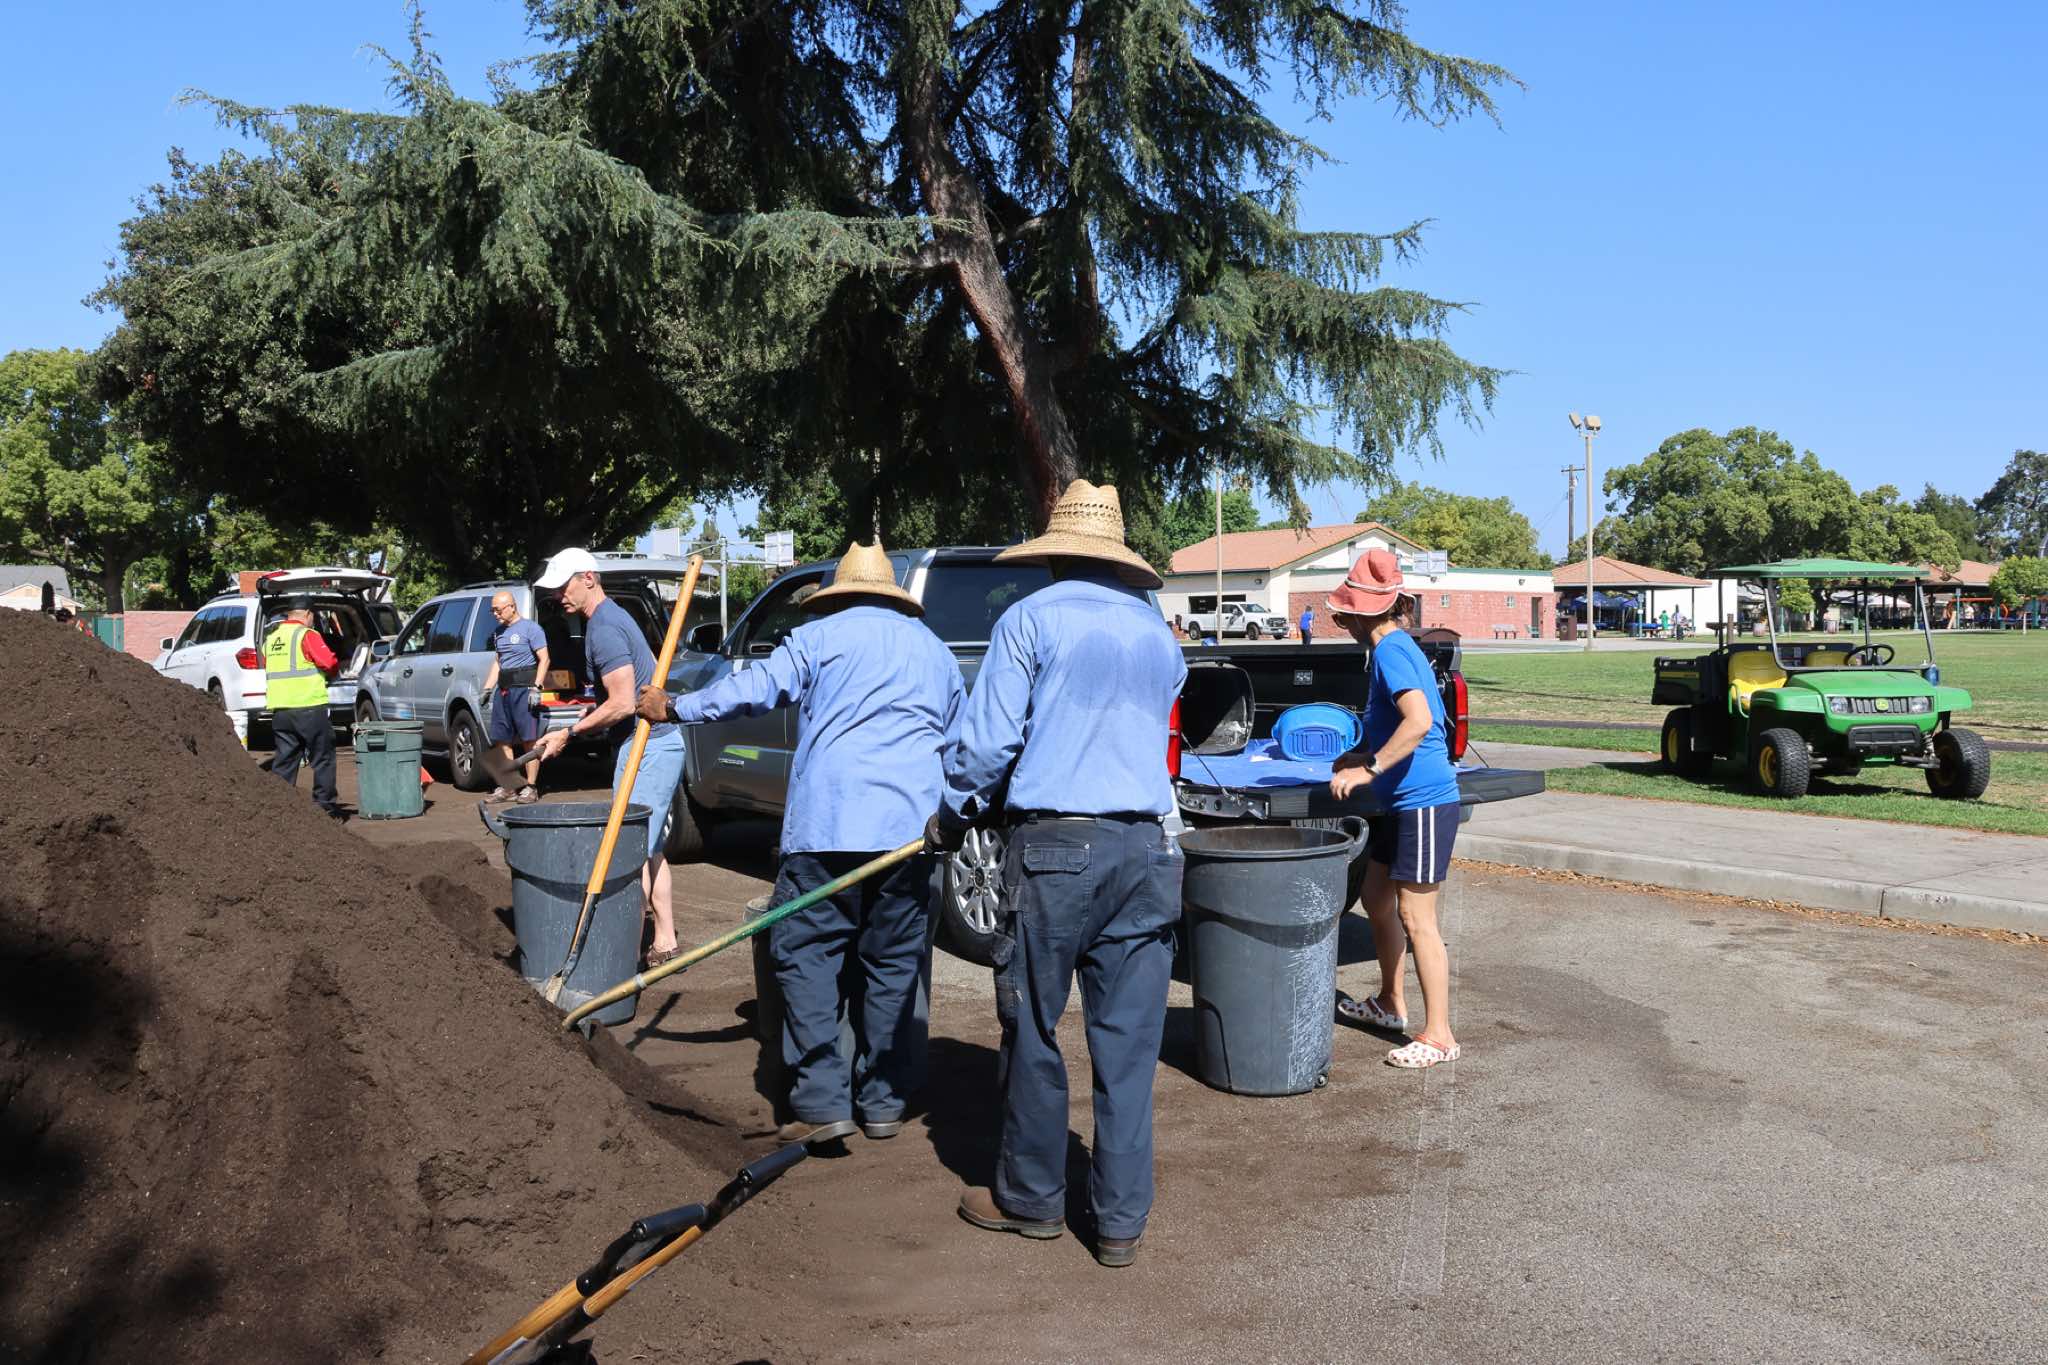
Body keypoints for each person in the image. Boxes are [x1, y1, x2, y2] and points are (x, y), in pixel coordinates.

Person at [930, 479, 1186, 1270]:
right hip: (1148, 849)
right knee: (1129, 1045)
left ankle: (1032, 1198)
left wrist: (950, 814)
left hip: (1055, 849)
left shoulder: (1030, 619)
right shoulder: (1157, 632)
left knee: (1034, 1026)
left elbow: (986, 745)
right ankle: (1120, 1222)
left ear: (1053, 555)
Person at [637, 541, 963, 1144]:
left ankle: (820, 1102)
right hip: (907, 837)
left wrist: (675, 706)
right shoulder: (935, 652)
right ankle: (883, 1101)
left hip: (827, 831)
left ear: (838, 597)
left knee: (808, 956)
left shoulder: (817, 638)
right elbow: (957, 742)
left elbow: (751, 690)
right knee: (894, 963)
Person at [1326, 549, 1462, 1068]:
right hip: (1399, 802)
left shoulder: (1391, 652)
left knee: (1416, 916)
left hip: (1423, 802)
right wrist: (1361, 754)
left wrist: (1370, 769)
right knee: (1377, 897)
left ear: (1361, 615)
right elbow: (1396, 725)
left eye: (1345, 616)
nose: (1343, 624)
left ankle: (1440, 1035)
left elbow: (1420, 721)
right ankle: (1389, 1002)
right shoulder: (1392, 649)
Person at [528, 549, 682, 965]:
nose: (558, 595)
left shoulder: (604, 628)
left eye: (564, 585)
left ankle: (617, 954)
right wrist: (588, 716)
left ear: (589, 578)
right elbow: (624, 694)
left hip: (648, 746)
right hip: (653, 743)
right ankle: (664, 940)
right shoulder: (611, 619)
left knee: (629, 850)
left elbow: (623, 702)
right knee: (648, 847)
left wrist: (569, 733)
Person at [264, 594, 344, 818]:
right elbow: (329, 662)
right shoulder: (307, 635)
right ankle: (324, 809)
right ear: (308, 614)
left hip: (281, 710)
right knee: (323, 758)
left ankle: (280, 810)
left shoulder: (272, 638)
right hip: (309, 706)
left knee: (285, 761)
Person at [482, 591, 550, 804]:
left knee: (529, 740)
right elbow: (498, 662)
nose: (495, 614)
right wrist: (487, 688)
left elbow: (545, 659)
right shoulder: (498, 633)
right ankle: (509, 787)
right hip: (504, 691)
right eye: (493, 610)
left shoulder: (531, 629)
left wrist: (536, 688)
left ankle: (531, 787)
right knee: (502, 739)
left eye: (498, 610)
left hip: (524, 690)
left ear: (512, 606)